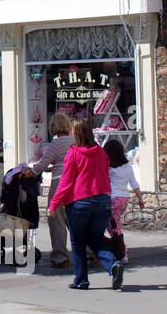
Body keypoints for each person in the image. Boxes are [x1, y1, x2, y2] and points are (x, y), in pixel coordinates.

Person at [49, 117, 122, 290]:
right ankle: (113, 265)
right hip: (102, 201)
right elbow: (106, 177)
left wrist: (54, 205)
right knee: (96, 239)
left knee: (78, 242)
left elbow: (66, 182)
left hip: (80, 202)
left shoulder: (74, 153)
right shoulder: (101, 152)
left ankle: (81, 280)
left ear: (76, 133)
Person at [31, 113, 75, 269]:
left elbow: (42, 164)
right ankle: (90, 252)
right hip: (77, 183)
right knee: (76, 220)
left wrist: (30, 171)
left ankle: (60, 257)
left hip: (59, 182)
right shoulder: (75, 141)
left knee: (56, 220)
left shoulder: (56, 144)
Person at [104, 138, 144, 264]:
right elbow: (134, 183)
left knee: (114, 227)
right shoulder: (127, 166)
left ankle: (122, 252)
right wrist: (140, 198)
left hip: (112, 200)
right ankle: (116, 250)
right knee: (114, 224)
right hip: (123, 199)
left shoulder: (109, 168)